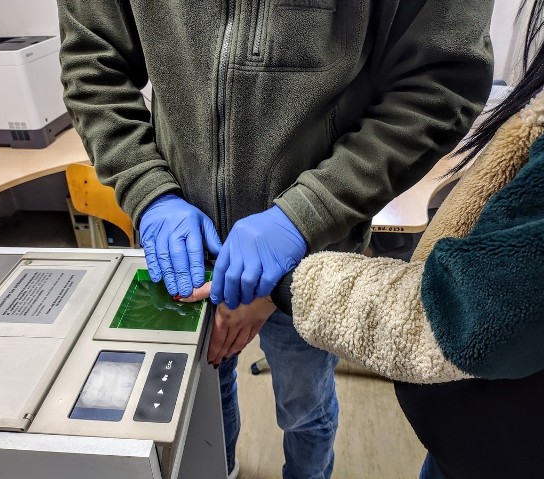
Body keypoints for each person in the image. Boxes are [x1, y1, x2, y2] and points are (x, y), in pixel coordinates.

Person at [56, 2, 494, 477]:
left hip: (309, 259)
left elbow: (438, 87)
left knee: (304, 405)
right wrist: (149, 188)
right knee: (203, 384)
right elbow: (92, 62)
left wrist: (304, 218)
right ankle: (218, 466)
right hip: (190, 252)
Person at [277, 1, 544, 477]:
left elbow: (463, 317)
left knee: (303, 407)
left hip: (511, 444)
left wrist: (281, 277)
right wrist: (154, 192)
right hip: (485, 432)